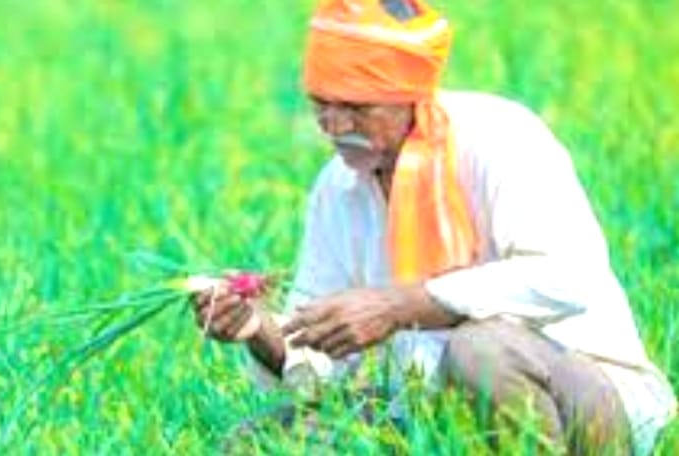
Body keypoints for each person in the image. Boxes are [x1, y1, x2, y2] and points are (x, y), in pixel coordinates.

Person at [192, 0, 676, 453]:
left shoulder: (501, 138)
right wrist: (256, 329)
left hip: (586, 396)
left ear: (409, 96)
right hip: (431, 406)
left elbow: (569, 278)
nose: (334, 126)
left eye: (358, 107)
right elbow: (320, 367)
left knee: (481, 352)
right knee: (258, 439)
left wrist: (403, 305)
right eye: (322, 103)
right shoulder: (338, 186)